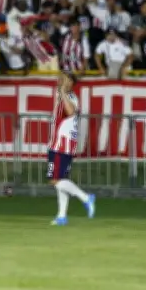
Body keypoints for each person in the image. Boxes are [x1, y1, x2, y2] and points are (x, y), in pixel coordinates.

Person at [47, 70, 95, 226]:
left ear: (71, 83)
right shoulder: (60, 95)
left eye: (65, 79)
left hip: (62, 144)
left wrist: (62, 92)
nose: (61, 81)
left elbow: (70, 111)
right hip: (59, 143)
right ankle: (62, 216)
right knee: (62, 180)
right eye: (60, 78)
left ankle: (85, 197)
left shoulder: (71, 97)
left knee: (54, 180)